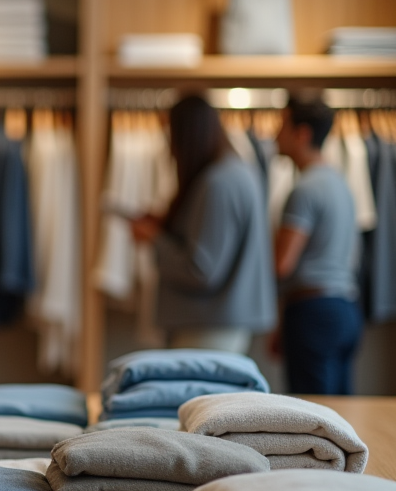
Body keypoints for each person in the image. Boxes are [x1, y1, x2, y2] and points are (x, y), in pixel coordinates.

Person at [131, 95, 275, 352]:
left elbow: (201, 270)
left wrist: (154, 239)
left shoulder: (219, 183)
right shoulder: (230, 173)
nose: (169, 146)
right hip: (214, 321)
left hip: (209, 326)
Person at [273, 98, 362, 394]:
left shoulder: (305, 189)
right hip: (345, 306)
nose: (275, 135)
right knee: (340, 409)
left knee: (314, 412)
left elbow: (282, 264)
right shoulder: (340, 184)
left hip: (313, 310)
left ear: (302, 134)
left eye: (282, 126)